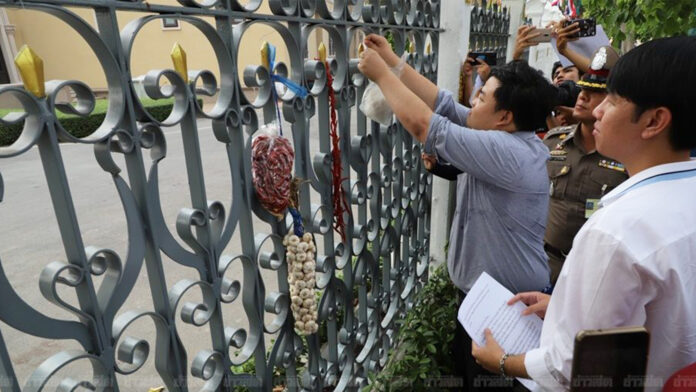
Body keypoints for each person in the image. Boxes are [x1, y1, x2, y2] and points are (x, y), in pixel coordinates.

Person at [471, 36, 696, 392]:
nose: (598, 111)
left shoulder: (617, 230)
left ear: (654, 121)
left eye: (614, 100)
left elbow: (568, 367)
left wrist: (500, 360)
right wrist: (561, 305)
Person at [358, 33, 557, 390]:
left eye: (481, 97)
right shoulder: (507, 136)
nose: (473, 101)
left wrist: (381, 76)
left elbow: (425, 125)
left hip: (508, 308)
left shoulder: (508, 152)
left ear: (504, 117)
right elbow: (445, 104)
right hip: (488, 300)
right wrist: (392, 62)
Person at [543, 46, 628, 283]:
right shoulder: (553, 142)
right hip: (546, 265)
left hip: (594, 275)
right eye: (583, 89)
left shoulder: (625, 155)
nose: (583, 96)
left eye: (595, 93)